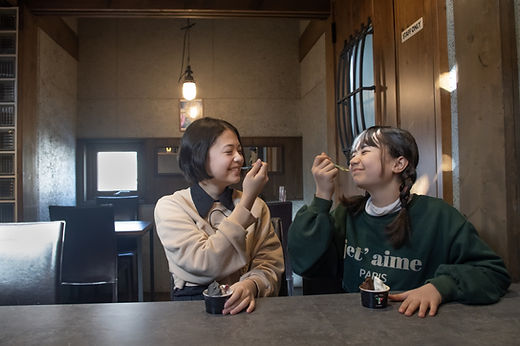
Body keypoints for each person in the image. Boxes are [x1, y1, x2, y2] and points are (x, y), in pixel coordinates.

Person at [288, 126, 511, 318]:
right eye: (353, 154)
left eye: (364, 151)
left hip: (418, 325)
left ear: (399, 163)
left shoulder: (439, 216)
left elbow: (492, 273)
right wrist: (321, 196)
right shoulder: (347, 214)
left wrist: (439, 288)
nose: (353, 160)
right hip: (354, 326)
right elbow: (303, 263)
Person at [155, 117, 284, 315]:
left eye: (240, 151)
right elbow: (204, 262)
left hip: (248, 305)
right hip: (191, 309)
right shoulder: (171, 206)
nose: (240, 158)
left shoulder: (257, 205)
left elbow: (270, 264)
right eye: (228, 151)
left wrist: (251, 285)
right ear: (200, 156)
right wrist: (247, 200)